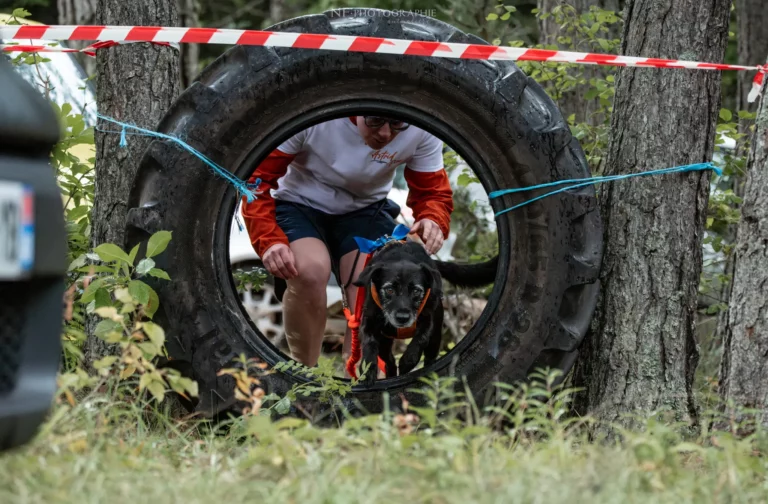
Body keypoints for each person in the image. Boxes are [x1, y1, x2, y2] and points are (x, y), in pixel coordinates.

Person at [241, 115, 454, 369]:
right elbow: (257, 180)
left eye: (397, 124)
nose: (385, 133)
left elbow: (433, 193)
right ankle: (304, 376)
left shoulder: (420, 127)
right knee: (308, 271)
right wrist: (269, 240)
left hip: (365, 210)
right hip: (299, 203)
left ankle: (363, 380)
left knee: (369, 284)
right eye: (375, 121)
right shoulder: (316, 116)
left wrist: (432, 219)